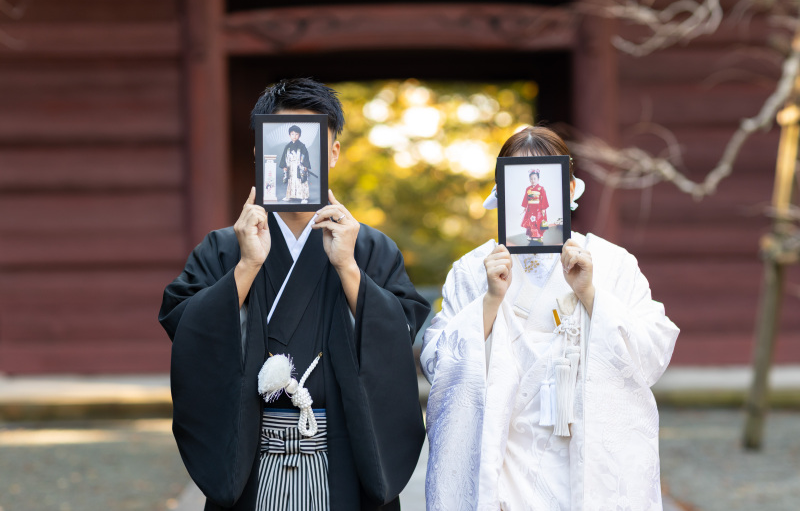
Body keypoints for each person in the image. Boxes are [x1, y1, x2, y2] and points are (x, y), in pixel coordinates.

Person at [159, 78, 430, 511]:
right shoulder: (226, 247)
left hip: (343, 455)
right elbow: (184, 324)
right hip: (249, 458)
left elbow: (399, 332)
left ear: (333, 153)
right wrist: (247, 266)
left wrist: (348, 268)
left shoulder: (368, 247)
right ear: (261, 152)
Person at [420, 126, 679, 511]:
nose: (532, 184)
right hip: (503, 451)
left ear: (569, 187)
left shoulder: (612, 263)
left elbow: (652, 351)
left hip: (586, 453)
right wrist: (490, 301)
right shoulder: (473, 269)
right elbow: (438, 362)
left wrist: (591, 294)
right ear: (501, 191)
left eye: (545, 176)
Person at [279, 124, 312, 203]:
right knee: (291, 181)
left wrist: (305, 166)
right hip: (290, 167)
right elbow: (284, 156)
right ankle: (290, 196)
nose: (294, 136)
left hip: (299, 167)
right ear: (289, 135)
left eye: (296, 134)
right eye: (292, 134)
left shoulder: (302, 146)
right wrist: (284, 166)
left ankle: (304, 197)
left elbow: (306, 156)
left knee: (301, 181)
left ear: (299, 135)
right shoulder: (287, 146)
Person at [521, 168, 549, 245]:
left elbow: (544, 198)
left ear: (538, 179)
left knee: (538, 222)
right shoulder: (528, 189)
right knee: (530, 222)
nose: (533, 180)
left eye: (534, 178)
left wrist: (543, 208)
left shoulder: (541, 188)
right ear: (529, 179)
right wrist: (525, 207)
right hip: (530, 208)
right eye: (531, 179)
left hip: (538, 208)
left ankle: (539, 236)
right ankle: (531, 236)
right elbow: (526, 198)